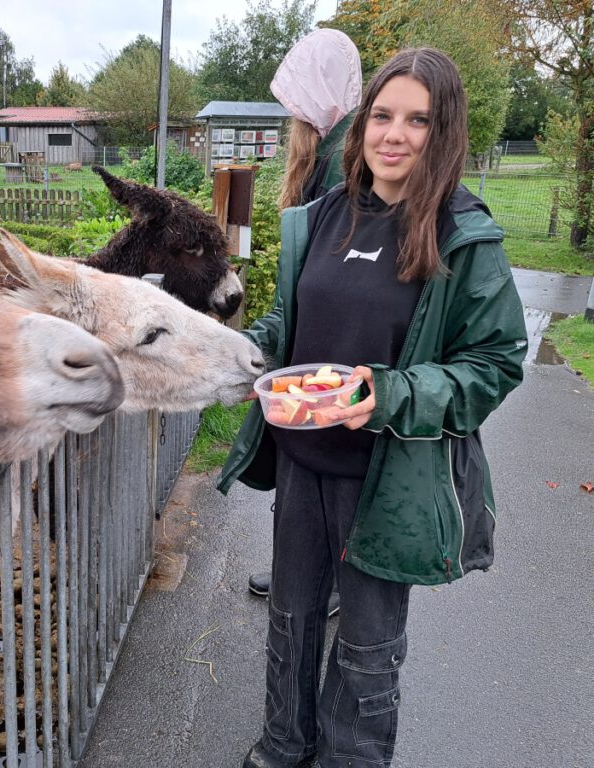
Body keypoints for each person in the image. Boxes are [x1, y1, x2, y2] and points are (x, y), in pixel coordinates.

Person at [217, 47, 527, 768]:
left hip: (388, 479)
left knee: (365, 644)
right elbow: (287, 321)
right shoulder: (322, 216)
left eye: (417, 120)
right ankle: (282, 748)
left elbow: (494, 364)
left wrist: (389, 394)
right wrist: (245, 352)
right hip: (301, 462)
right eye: (381, 116)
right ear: (359, 127)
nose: (394, 134)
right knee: (292, 622)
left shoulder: (463, 235)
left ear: (442, 130)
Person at [247, 28, 363, 615]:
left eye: (296, 100)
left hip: (330, 354)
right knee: (301, 473)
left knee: (325, 467)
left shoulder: (344, 164)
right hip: (311, 350)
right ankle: (302, 566)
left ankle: (332, 579)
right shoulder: (328, 153)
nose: (290, 115)